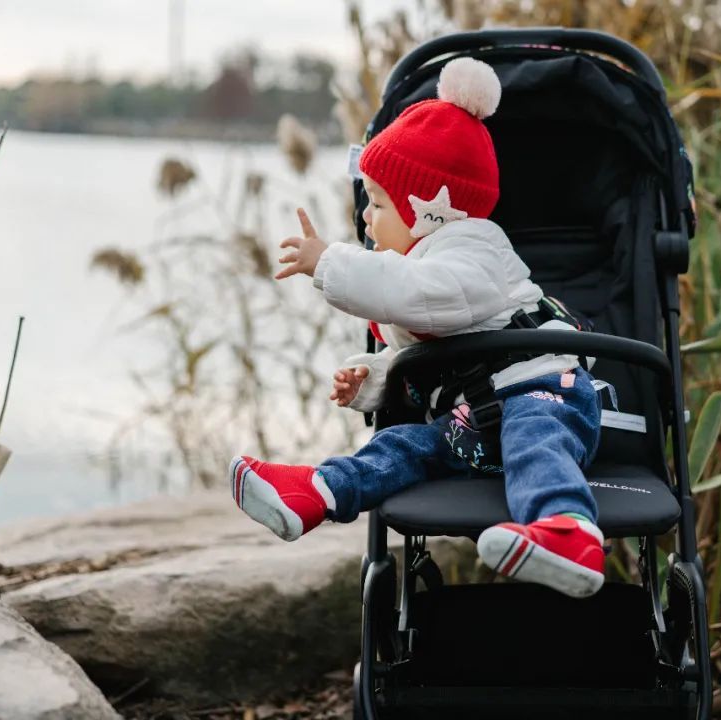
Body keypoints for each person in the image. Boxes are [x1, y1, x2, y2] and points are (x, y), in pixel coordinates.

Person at [229, 58, 606, 598]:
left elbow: (418, 295)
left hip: (544, 395)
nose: (365, 219)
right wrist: (373, 377)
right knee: (403, 446)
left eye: (378, 203)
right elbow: (436, 351)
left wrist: (328, 262)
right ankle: (314, 493)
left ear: (431, 212)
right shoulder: (425, 268)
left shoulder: (474, 255)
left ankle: (568, 531)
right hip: (472, 421)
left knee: (535, 437)